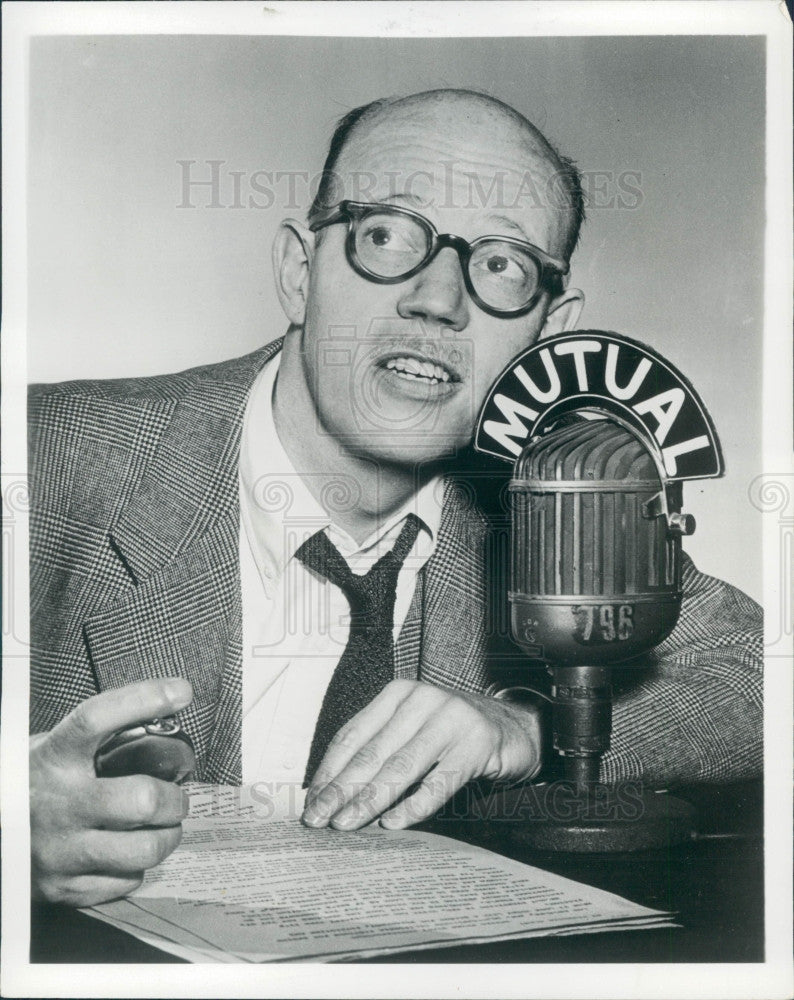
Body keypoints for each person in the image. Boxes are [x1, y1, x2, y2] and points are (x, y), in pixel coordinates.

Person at [28, 89, 762, 906]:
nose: (438, 301)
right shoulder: (40, 459)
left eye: (502, 265)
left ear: (548, 333)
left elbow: (762, 673)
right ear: (299, 274)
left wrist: (531, 726)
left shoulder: (553, 514)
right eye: (385, 235)